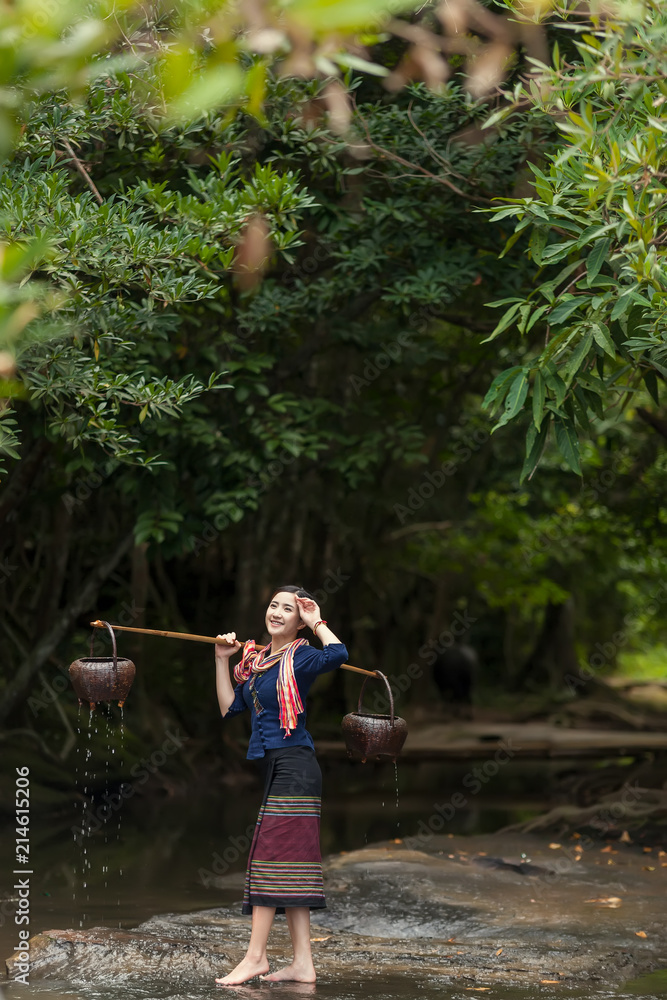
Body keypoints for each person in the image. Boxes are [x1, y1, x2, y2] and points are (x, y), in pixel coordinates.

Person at [213, 585, 348, 986]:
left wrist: (316, 620)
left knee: (269, 859)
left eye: (288, 609)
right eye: (274, 605)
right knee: (289, 864)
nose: (277, 613)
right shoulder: (256, 662)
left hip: (297, 767)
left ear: (297, 619)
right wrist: (222, 661)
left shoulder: (302, 656)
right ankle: (303, 964)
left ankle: (255, 957)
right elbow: (228, 707)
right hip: (277, 767)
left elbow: (338, 655)